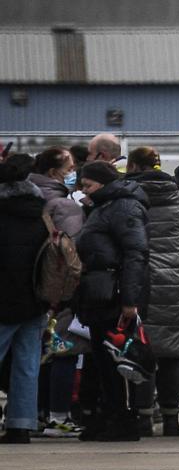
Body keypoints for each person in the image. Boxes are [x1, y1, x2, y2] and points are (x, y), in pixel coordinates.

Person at [74, 161, 150, 442]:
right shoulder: (104, 207)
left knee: (114, 359)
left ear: (103, 184)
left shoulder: (122, 207)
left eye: (89, 185)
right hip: (101, 293)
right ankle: (110, 415)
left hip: (113, 295)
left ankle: (121, 419)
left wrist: (130, 300)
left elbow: (135, 253)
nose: (84, 190)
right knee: (104, 360)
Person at [126, 147, 179, 437]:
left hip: (140, 283)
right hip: (176, 282)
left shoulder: (129, 198)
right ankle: (171, 419)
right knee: (173, 353)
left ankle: (143, 416)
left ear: (132, 166)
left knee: (141, 352)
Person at [29, 147, 85, 437]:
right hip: (59, 289)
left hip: (27, 287)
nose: (73, 171)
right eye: (70, 167)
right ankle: (58, 416)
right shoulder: (64, 205)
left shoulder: (24, 195)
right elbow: (74, 253)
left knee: (33, 354)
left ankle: (31, 413)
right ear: (54, 172)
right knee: (63, 351)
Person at [0, 155, 51, 443]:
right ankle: (21, 424)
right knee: (27, 365)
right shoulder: (39, 213)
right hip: (35, 299)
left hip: (4, 300)